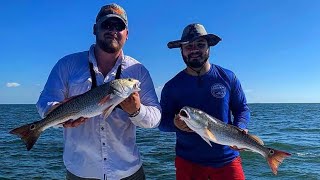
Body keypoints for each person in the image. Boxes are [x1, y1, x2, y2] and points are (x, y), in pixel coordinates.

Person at [36, 3, 161, 180]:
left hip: (128, 171)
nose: (113, 30)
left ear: (127, 33)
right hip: (81, 171)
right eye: (107, 25)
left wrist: (137, 111)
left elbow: (156, 116)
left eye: (119, 26)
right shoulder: (67, 65)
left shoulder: (138, 71)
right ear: (95, 29)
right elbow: (45, 100)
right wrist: (54, 114)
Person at [159, 23, 250, 180]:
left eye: (200, 45)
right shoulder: (171, 87)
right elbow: (161, 123)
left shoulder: (228, 77)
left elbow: (242, 109)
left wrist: (240, 127)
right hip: (188, 162)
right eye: (188, 46)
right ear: (181, 50)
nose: (194, 50)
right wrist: (175, 124)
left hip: (227, 160)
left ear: (209, 47)